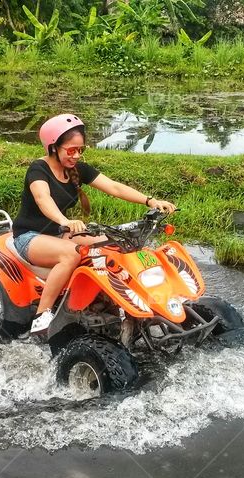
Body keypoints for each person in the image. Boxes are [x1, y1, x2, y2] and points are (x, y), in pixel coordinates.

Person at [13, 114, 176, 334]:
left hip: (58, 233)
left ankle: (110, 301)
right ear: (53, 147)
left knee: (110, 245)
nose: (77, 155)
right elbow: (44, 199)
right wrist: (65, 221)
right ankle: (42, 316)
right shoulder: (38, 170)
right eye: (71, 150)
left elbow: (114, 187)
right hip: (29, 236)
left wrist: (151, 201)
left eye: (81, 150)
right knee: (71, 255)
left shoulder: (77, 169)